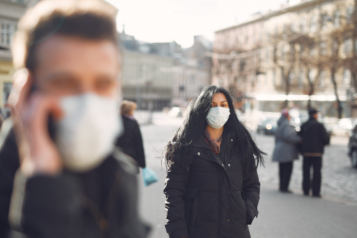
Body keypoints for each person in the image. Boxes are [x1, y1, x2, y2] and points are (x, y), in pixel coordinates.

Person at [0, 1, 149, 238]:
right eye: (65, 83)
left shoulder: (121, 172)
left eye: (103, 83)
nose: (88, 101)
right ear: (27, 90)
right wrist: (43, 186)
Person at [163, 85, 264, 238]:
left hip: (236, 231)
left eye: (223, 105)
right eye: (212, 105)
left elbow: (252, 184)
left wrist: (248, 211)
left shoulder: (240, 142)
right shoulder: (185, 144)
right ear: (202, 109)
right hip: (198, 231)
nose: (218, 110)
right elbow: (174, 193)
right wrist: (177, 232)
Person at [299, 108, 330, 198]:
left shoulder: (304, 125)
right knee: (317, 173)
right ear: (315, 115)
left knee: (306, 172)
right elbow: (325, 138)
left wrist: (302, 150)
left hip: (306, 153)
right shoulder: (319, 125)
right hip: (317, 153)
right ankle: (315, 192)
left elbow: (299, 139)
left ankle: (306, 190)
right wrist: (321, 145)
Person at [272, 109, 301, 193]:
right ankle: (284, 187)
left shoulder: (280, 124)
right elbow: (288, 136)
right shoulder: (287, 125)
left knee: (282, 169)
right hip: (287, 151)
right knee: (287, 170)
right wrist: (298, 139)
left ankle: (282, 186)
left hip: (280, 149)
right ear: (287, 116)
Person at [115, 100, 146, 171]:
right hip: (131, 158)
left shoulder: (114, 121)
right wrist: (142, 164)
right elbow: (139, 144)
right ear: (129, 111)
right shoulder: (133, 123)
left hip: (116, 157)